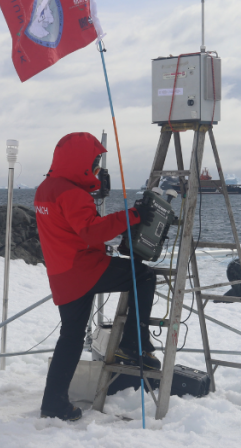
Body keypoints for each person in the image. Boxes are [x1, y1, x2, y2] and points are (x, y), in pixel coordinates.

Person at [34, 132, 160, 421]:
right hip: (83, 269)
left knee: (71, 337)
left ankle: (53, 403)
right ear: (81, 161)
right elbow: (90, 231)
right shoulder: (72, 193)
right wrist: (133, 215)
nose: (96, 167)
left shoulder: (46, 188)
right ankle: (134, 344)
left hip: (62, 272)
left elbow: (71, 229)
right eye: (94, 161)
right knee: (144, 277)